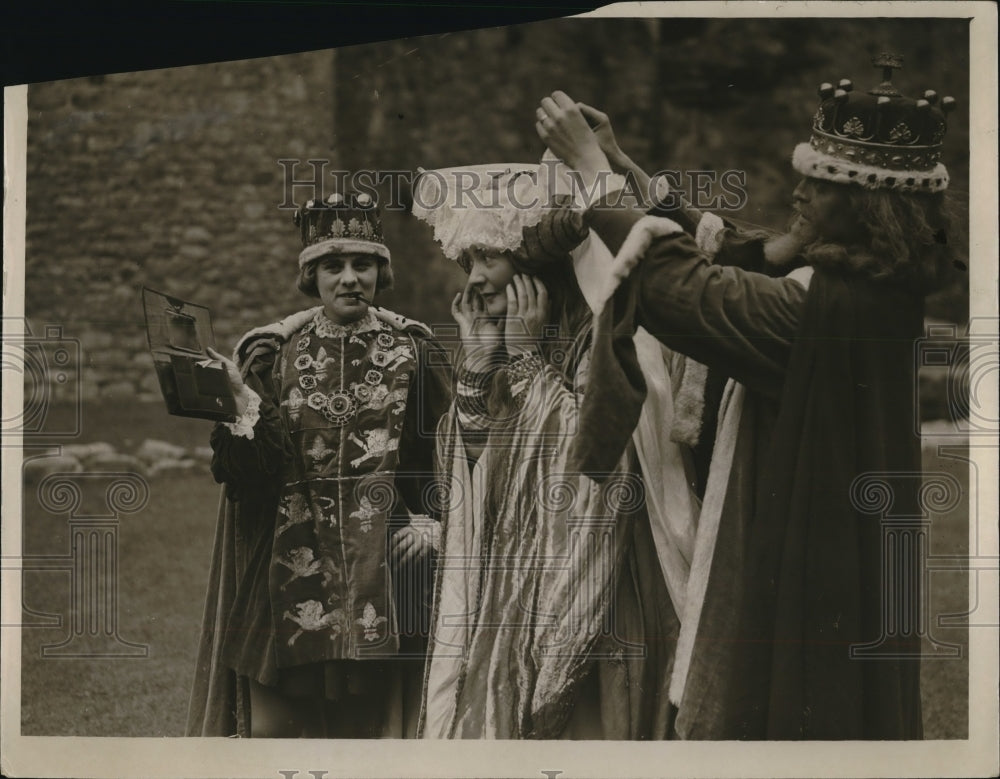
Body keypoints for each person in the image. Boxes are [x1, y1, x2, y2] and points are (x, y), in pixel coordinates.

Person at [537, 54, 959, 740]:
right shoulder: (873, 287)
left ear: (867, 208)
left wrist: (591, 173)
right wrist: (621, 163)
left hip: (807, 558)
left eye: (821, 184)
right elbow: (734, 253)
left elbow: (688, 290)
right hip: (833, 548)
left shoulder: (817, 313)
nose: (799, 191)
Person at [411, 164, 698, 739]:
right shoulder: (514, 337)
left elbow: (592, 465)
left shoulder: (600, 336)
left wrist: (526, 366)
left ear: (536, 267)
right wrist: (479, 367)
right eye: (469, 261)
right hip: (513, 580)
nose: (475, 278)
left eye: (489, 258)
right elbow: (477, 476)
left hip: (600, 580)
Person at [185, 191, 452, 738]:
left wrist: (432, 522)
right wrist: (241, 402)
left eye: (363, 265)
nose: (350, 279)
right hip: (287, 559)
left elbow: (447, 455)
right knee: (273, 730)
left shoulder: (416, 353)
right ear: (312, 276)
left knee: (367, 730)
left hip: (384, 567)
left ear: (380, 272)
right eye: (334, 266)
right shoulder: (272, 356)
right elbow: (247, 479)